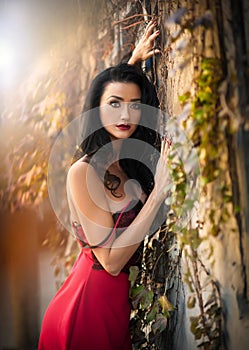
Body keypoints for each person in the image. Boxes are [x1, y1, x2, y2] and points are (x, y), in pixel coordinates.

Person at [38, 20, 171, 350]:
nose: (125, 114)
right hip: (87, 305)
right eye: (114, 103)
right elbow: (110, 262)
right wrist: (160, 191)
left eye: (135, 105)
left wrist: (132, 64)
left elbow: (120, 108)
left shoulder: (121, 160)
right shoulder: (82, 173)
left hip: (114, 304)